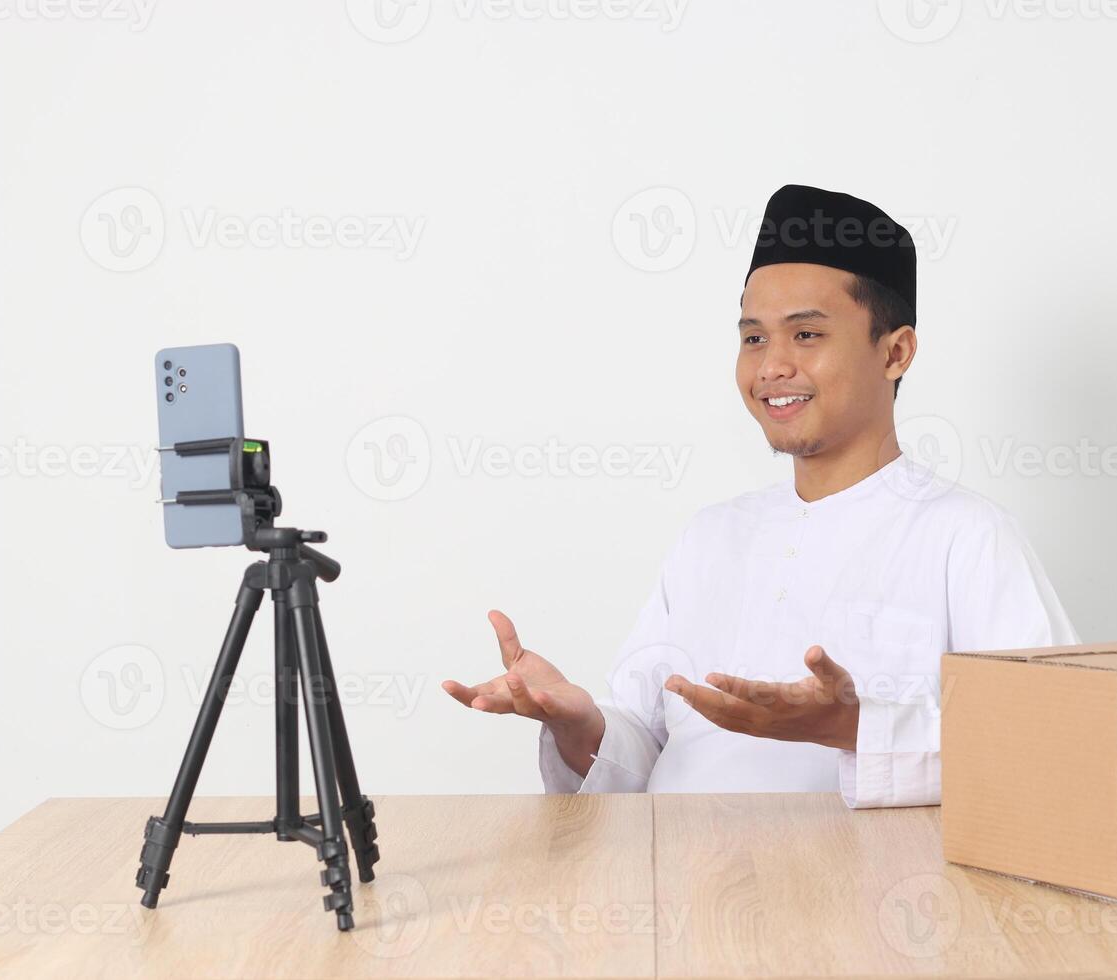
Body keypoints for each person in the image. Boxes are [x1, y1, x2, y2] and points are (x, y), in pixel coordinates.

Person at [443, 184, 1077, 807]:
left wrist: (856, 728)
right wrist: (577, 723)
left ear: (896, 352)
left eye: (806, 335)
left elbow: (1055, 748)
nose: (771, 366)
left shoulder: (967, 536)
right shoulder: (710, 536)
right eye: (753, 338)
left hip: (860, 900)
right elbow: (645, 751)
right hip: (672, 887)